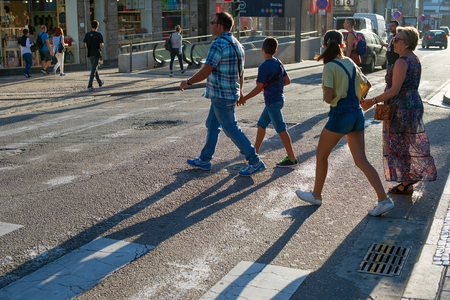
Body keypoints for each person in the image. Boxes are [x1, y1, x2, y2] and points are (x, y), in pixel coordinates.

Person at [295, 30, 392, 217]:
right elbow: (367, 84)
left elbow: (328, 97)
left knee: (321, 155)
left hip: (340, 115)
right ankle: (383, 199)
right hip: (356, 113)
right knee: (361, 160)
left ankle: (316, 195)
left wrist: (327, 94)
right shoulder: (349, 61)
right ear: (342, 45)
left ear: (324, 45)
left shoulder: (329, 66)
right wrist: (360, 98)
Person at [180, 11, 266, 176]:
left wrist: (188, 82)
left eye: (212, 23)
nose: (211, 25)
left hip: (221, 95)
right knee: (212, 125)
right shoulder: (237, 44)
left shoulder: (218, 44)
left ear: (219, 26)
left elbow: (206, 70)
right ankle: (204, 160)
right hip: (227, 93)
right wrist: (239, 90)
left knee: (231, 129)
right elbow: (241, 72)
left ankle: (255, 161)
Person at [361, 27, 437, 195]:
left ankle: (409, 179)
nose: (393, 42)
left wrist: (372, 101)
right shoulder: (414, 59)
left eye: (397, 39)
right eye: (394, 39)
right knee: (406, 143)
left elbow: (394, 90)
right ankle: (407, 183)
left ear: (408, 42)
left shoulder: (402, 61)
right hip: (413, 103)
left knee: (398, 144)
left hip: (401, 107)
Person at [237, 37, 297, 168]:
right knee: (261, 125)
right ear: (275, 50)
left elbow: (258, 88)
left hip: (272, 102)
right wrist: (275, 87)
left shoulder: (263, 67)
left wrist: (244, 98)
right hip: (278, 99)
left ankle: (292, 158)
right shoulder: (279, 63)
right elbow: (287, 81)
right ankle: (255, 153)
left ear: (262, 49)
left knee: (281, 130)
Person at [84, 20, 104, 91]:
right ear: (97, 27)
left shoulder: (87, 35)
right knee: (93, 69)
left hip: (90, 53)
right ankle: (90, 85)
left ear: (91, 26)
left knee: (94, 68)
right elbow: (101, 44)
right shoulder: (99, 34)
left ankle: (100, 82)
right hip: (96, 53)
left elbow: (85, 45)